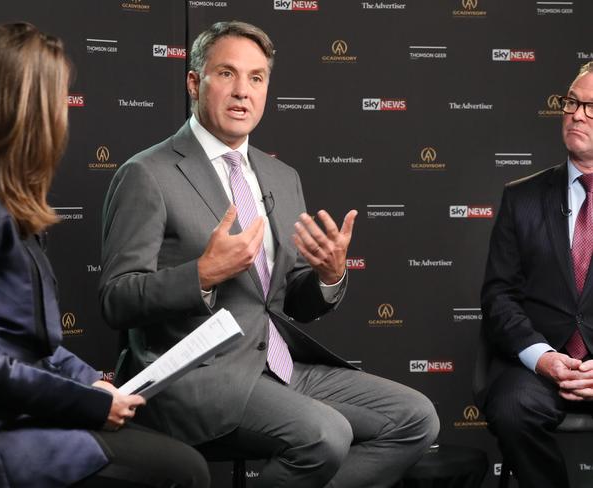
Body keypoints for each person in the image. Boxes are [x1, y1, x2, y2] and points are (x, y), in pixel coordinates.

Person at [100, 20, 439, 488]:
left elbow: (291, 300)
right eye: (227, 74)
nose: (243, 91)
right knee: (325, 435)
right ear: (195, 82)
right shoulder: (148, 173)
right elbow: (116, 298)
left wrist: (328, 276)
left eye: (256, 78)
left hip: (280, 365)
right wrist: (200, 275)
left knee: (416, 418)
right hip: (197, 379)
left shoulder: (282, 177)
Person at [0, 22, 210, 488]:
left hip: (30, 411)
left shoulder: (4, 203)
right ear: (26, 107)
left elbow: (38, 345)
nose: (66, 114)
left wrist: (94, 384)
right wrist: (89, 404)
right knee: (183, 471)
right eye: (60, 98)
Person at [480, 61, 593, 488]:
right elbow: (499, 296)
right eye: (572, 103)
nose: (577, 114)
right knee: (512, 409)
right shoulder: (521, 198)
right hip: (540, 367)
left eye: (591, 107)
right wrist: (542, 358)